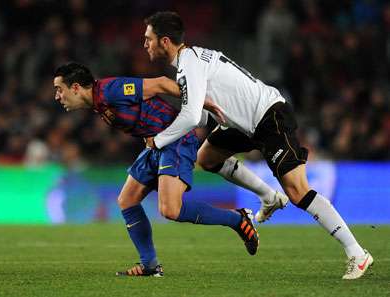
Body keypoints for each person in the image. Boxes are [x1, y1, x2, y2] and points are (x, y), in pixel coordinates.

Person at [141, 11, 372, 280]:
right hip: (242, 124)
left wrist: (158, 141)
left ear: (165, 41)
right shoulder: (191, 60)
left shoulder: (189, 64)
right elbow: (201, 114)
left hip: (268, 116)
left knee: (298, 191)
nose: (145, 44)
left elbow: (193, 116)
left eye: (148, 39)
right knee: (208, 158)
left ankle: (357, 253)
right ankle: (269, 197)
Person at [53, 62, 259, 277]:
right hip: (158, 145)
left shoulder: (111, 90)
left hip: (176, 140)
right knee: (127, 200)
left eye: (59, 89)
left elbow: (160, 84)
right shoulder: (98, 102)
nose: (57, 96)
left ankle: (238, 219)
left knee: (170, 210)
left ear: (75, 87)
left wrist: (201, 101)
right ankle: (150, 266)